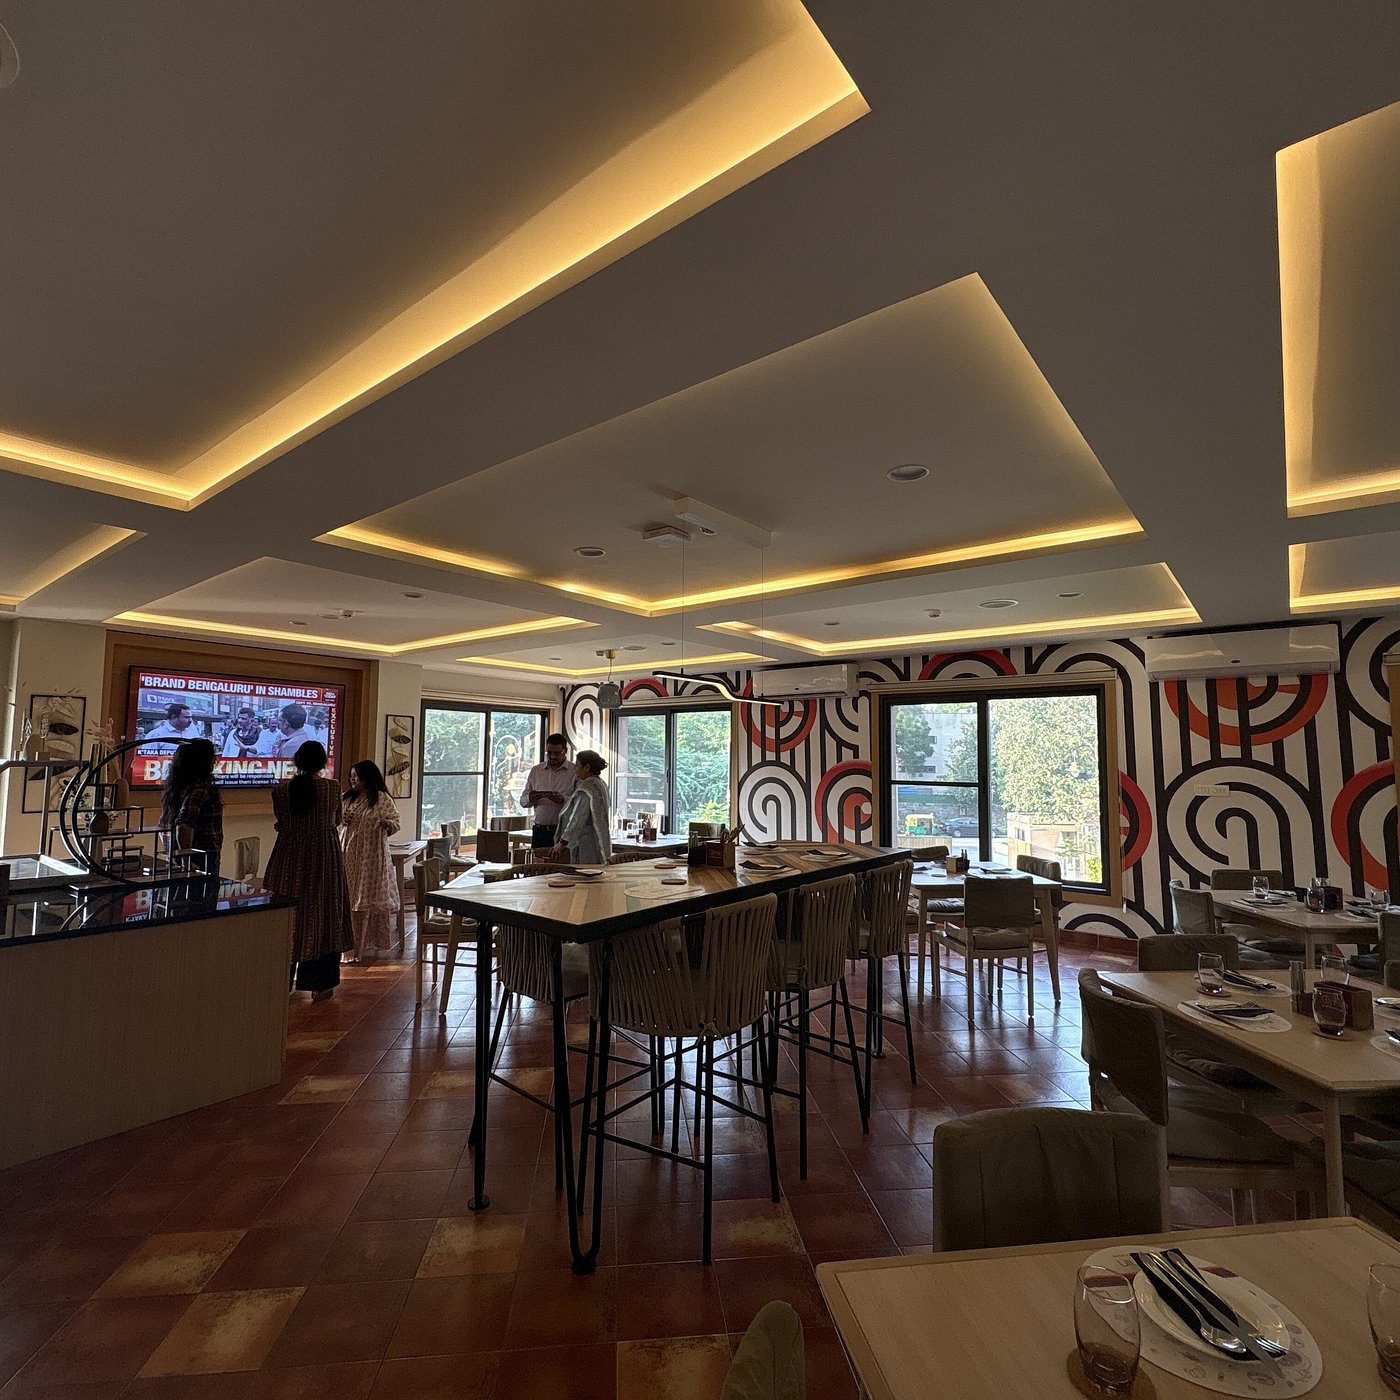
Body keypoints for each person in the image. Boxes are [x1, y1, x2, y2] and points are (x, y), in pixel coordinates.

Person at [263, 741, 354, 999]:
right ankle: (319, 985)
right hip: (324, 859)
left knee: (288, 915)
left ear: (297, 761)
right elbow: (336, 820)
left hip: (287, 858)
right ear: (322, 762)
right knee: (324, 915)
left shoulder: (280, 791)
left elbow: (281, 822)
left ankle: (280, 982)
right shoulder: (332, 788)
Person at [340, 759, 401, 961]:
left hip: (370, 856)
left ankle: (361, 946)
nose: (353, 780)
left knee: (364, 898)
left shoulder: (381, 798)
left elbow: (395, 822)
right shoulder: (347, 798)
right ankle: (346, 947)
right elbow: (338, 822)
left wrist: (386, 824)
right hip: (348, 854)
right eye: (351, 776)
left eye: (356, 776)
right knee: (347, 896)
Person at [159, 737, 223, 873]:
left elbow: (163, 825)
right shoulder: (201, 788)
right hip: (200, 861)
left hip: (177, 862)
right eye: (212, 756)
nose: (215, 760)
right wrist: (187, 862)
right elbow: (184, 826)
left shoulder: (175, 789)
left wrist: (172, 853)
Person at [548, 750, 612, 865]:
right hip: (597, 839)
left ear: (587, 767)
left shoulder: (587, 788)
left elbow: (577, 818)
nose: (575, 769)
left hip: (584, 844)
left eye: (577, 766)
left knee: (584, 872)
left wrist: (562, 842)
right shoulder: (601, 783)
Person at [521, 732, 577, 849]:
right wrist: (530, 798)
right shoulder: (536, 771)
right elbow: (523, 802)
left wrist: (563, 799)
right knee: (537, 861)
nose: (552, 757)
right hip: (539, 831)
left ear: (565, 751)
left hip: (563, 832)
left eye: (557, 753)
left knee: (563, 861)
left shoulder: (575, 771)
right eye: (549, 753)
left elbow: (579, 803)